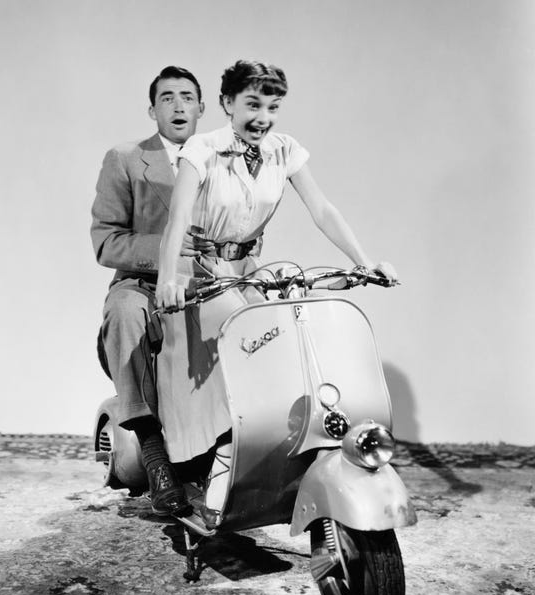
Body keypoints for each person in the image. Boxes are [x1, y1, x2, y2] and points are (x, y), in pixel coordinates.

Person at [155, 59, 397, 523]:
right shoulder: (201, 150)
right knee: (240, 348)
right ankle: (221, 466)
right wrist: (169, 279)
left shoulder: (284, 150)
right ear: (227, 104)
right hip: (202, 270)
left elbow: (322, 209)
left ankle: (285, 460)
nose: (262, 116)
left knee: (287, 342)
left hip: (248, 266)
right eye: (252, 104)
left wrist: (364, 263)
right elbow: (178, 221)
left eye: (272, 106)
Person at [91, 65, 208, 516]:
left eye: (187, 97)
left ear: (202, 107)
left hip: (210, 283)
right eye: (167, 98)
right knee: (124, 312)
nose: (178, 105)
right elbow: (106, 240)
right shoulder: (124, 158)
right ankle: (153, 453)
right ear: (152, 109)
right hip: (143, 283)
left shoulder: (223, 159)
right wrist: (169, 249)